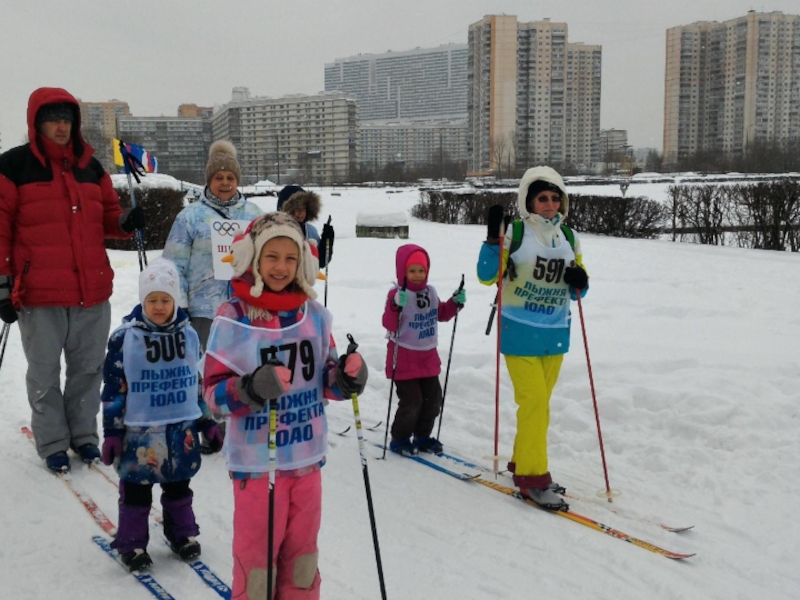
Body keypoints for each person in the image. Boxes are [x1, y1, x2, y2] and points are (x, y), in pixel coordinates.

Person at [203, 211, 367, 599]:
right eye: (271, 257)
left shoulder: (315, 315)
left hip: (307, 461)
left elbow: (325, 380)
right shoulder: (234, 318)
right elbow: (212, 398)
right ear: (253, 258)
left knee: (303, 559)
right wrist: (251, 388)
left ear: (303, 262)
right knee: (258, 564)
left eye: (290, 258)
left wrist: (346, 379)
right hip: (258, 465)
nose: (281, 267)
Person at [0, 87, 144, 473]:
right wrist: (2, 284)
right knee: (44, 373)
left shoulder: (90, 167)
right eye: (53, 120)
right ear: (37, 123)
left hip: (91, 292)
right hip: (39, 294)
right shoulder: (13, 166)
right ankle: (52, 442)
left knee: (88, 370)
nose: (61, 127)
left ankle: (83, 435)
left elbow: (108, 217)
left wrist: (125, 222)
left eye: (67, 119)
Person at [477, 165, 588, 511]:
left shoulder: (569, 237)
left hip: (555, 333)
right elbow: (486, 276)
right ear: (529, 201)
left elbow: (579, 291)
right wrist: (493, 242)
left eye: (556, 198)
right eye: (543, 198)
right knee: (535, 403)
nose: (550, 204)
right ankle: (532, 476)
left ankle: (523, 462)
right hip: (519, 329)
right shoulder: (516, 232)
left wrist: (580, 280)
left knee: (539, 408)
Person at [100, 258, 223, 572]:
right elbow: (113, 390)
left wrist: (206, 421)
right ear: (142, 300)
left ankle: (181, 533)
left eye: (165, 300)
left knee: (179, 487)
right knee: (136, 491)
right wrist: (112, 432)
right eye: (152, 299)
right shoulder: (125, 338)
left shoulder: (189, 335)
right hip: (138, 434)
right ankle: (132, 543)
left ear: (175, 301)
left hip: (180, 431)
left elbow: (195, 383)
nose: (158, 306)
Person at [162, 140, 262, 349]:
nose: (225, 183)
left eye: (230, 178)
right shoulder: (190, 216)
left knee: (243, 364)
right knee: (205, 364)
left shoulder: (255, 214)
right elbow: (173, 265)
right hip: (204, 310)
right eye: (219, 177)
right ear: (209, 180)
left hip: (246, 308)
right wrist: (180, 304)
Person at [384, 244, 466, 456]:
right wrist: (395, 305)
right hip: (403, 357)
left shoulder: (430, 292)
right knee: (412, 401)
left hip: (427, 357)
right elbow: (389, 324)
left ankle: (422, 436)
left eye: (422, 270)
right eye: (412, 271)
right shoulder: (397, 294)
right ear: (403, 271)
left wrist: (455, 303)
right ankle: (400, 438)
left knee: (433, 399)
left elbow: (441, 314)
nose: (418, 275)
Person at [277, 185, 334, 269]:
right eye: (296, 209)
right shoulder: (277, 230)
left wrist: (327, 240)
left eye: (303, 209)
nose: (300, 213)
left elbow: (320, 262)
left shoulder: (310, 230)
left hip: (307, 276)